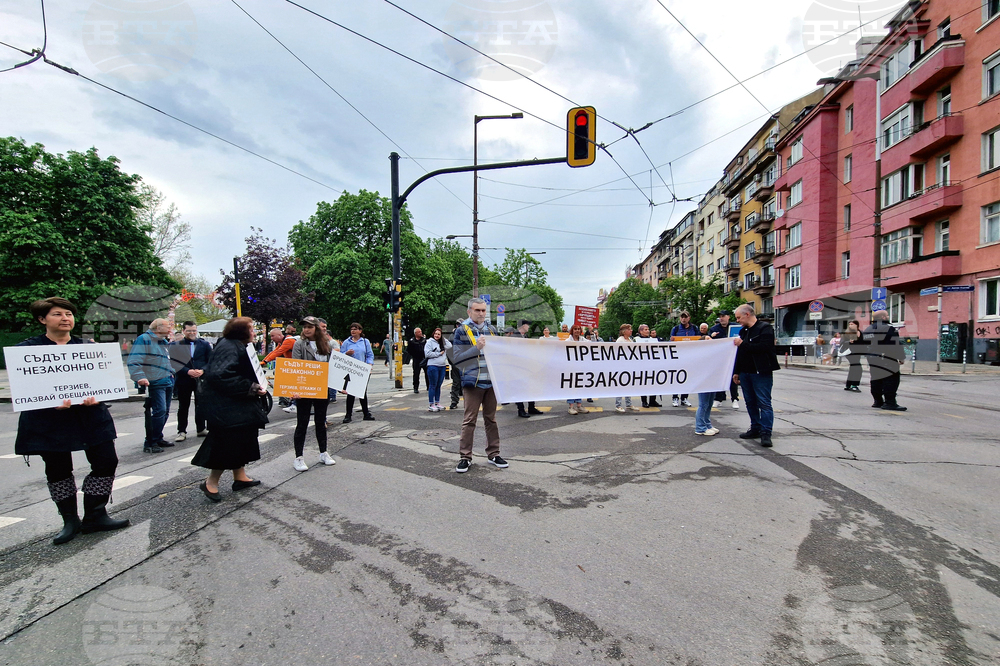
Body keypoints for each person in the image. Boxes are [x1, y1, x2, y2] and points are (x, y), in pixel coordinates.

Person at [15, 298, 130, 545]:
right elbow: (25, 389)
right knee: (58, 469)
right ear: (42, 319)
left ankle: (96, 515)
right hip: (49, 420)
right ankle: (70, 520)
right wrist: (49, 400)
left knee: (106, 460)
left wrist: (96, 397)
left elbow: (104, 381)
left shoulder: (88, 348)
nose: (66, 318)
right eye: (58, 314)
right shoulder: (28, 350)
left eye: (69, 313)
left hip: (89, 416)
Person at [191, 317, 266, 501]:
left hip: (234, 407)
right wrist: (251, 387)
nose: (254, 332)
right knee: (227, 444)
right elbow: (220, 375)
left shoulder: (233, 344)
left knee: (240, 439)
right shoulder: (230, 346)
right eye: (251, 329)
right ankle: (211, 483)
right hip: (227, 409)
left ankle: (239, 477)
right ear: (241, 331)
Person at [452, 297, 507, 473]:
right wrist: (476, 347)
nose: (481, 313)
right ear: (469, 312)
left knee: (491, 419)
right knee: (469, 420)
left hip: (491, 382)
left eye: (483, 310)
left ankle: (493, 453)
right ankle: (465, 457)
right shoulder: (461, 331)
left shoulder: (491, 330)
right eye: (477, 310)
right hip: (472, 382)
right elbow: (457, 358)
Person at [287, 316, 337, 471]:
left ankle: (323, 453)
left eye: (310, 326)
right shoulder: (299, 344)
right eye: (304, 327)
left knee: (321, 422)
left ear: (317, 328)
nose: (306, 329)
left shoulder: (326, 344)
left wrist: (340, 385)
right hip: (305, 390)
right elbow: (296, 367)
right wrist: (294, 390)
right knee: (302, 423)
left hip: (322, 389)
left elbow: (332, 367)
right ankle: (299, 457)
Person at [732, 304, 780, 448]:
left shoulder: (765, 328)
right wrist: (736, 371)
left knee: (764, 403)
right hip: (746, 373)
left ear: (747, 314)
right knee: (750, 402)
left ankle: (766, 432)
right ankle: (755, 427)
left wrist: (743, 344)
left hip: (761, 372)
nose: (738, 321)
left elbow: (764, 348)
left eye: (739, 317)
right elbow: (740, 354)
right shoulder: (743, 331)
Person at [128, 318, 175, 453]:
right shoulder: (144, 339)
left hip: (166, 379)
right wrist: (140, 377)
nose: (170, 328)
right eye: (168, 326)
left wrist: (171, 371)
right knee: (159, 411)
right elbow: (134, 360)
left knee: (164, 411)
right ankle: (150, 441)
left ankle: (157, 437)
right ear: (158, 328)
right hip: (155, 381)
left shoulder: (163, 341)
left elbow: (166, 359)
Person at [168, 321, 212, 442]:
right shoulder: (175, 345)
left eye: (194, 330)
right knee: (183, 406)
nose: (192, 333)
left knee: (201, 405)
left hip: (201, 379)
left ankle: (201, 428)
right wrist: (187, 371)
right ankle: (181, 431)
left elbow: (211, 361)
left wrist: (202, 370)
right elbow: (173, 363)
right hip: (184, 379)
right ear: (183, 331)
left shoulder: (204, 345)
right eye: (189, 331)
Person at [862, 310, 907, 411]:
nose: (888, 316)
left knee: (876, 378)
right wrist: (901, 357)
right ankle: (890, 402)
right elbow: (895, 344)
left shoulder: (868, 329)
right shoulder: (888, 328)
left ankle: (877, 401)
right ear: (883, 317)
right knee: (891, 379)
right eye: (887, 315)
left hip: (872, 358)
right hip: (886, 358)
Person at [341, 323, 376, 423]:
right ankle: (348, 415)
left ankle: (366, 413)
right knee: (351, 393)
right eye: (351, 329)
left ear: (360, 331)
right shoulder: (346, 342)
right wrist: (346, 354)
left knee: (362, 392)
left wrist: (369, 364)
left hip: (362, 370)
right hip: (350, 370)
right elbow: (340, 356)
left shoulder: (365, 342)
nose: (353, 331)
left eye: (355, 329)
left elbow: (370, 355)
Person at [511, 320, 543, 418]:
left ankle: (531, 407)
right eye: (527, 325)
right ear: (523, 326)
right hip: (517, 368)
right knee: (519, 388)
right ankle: (521, 410)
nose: (529, 327)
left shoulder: (524, 336)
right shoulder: (514, 337)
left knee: (530, 387)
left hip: (527, 367)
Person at [709, 310, 740, 409]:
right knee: (720, 378)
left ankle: (735, 399)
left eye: (723, 316)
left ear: (728, 317)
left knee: (732, 378)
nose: (721, 318)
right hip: (720, 358)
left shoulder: (735, 327)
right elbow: (708, 342)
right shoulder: (714, 329)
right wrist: (710, 337)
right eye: (720, 316)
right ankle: (718, 399)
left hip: (733, 357)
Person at [669, 312, 699, 407]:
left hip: (690, 356)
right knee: (677, 377)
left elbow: (699, 339)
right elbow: (671, 341)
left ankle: (684, 398)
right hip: (679, 356)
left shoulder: (694, 328)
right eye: (682, 317)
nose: (683, 319)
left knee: (687, 378)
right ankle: (675, 397)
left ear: (689, 318)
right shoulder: (676, 329)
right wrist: (672, 340)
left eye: (685, 317)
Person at [695, 324, 719, 436]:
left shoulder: (713, 353)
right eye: (708, 339)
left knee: (709, 404)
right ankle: (700, 427)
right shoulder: (700, 355)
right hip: (704, 382)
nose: (711, 340)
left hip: (711, 381)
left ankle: (707, 424)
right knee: (703, 404)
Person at [614, 324, 641, 413]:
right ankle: (618, 405)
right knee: (620, 385)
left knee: (628, 385)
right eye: (629, 329)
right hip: (621, 365)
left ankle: (628, 404)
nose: (631, 331)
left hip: (629, 365)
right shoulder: (620, 340)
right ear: (624, 331)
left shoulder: (630, 340)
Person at [423, 327, 451, 412]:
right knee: (433, 385)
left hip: (442, 366)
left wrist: (443, 339)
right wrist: (438, 353)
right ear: (433, 334)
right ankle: (431, 404)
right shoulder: (429, 342)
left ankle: (437, 402)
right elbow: (427, 354)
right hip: (433, 366)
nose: (437, 336)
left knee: (439, 385)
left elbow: (450, 345)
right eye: (436, 334)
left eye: (439, 334)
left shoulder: (443, 342)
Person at [565, 324, 589, 414]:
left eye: (579, 329)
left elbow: (594, 343)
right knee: (572, 386)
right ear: (572, 330)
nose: (577, 331)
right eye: (575, 329)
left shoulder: (583, 340)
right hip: (571, 367)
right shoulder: (567, 341)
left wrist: (592, 332)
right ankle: (571, 406)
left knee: (579, 385)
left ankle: (579, 405)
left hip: (581, 366)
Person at [635, 324, 661, 408]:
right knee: (644, 383)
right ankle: (644, 401)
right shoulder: (636, 340)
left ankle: (652, 401)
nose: (647, 331)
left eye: (648, 329)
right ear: (640, 331)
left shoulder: (652, 340)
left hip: (652, 364)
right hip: (642, 365)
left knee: (653, 382)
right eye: (645, 329)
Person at [842, 320, 864, 392]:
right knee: (858, 368)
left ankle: (848, 385)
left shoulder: (860, 332)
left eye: (852, 324)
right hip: (849, 352)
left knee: (853, 368)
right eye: (850, 324)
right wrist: (849, 341)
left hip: (858, 352)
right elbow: (841, 342)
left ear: (856, 325)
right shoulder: (847, 333)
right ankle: (854, 385)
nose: (850, 325)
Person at [407, 327, 427, 394]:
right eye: (419, 332)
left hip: (424, 359)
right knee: (416, 374)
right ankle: (415, 387)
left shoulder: (424, 340)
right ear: (415, 333)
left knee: (427, 373)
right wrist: (414, 355)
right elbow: (409, 350)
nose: (420, 333)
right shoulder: (412, 341)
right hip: (416, 359)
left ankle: (428, 386)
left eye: (421, 331)